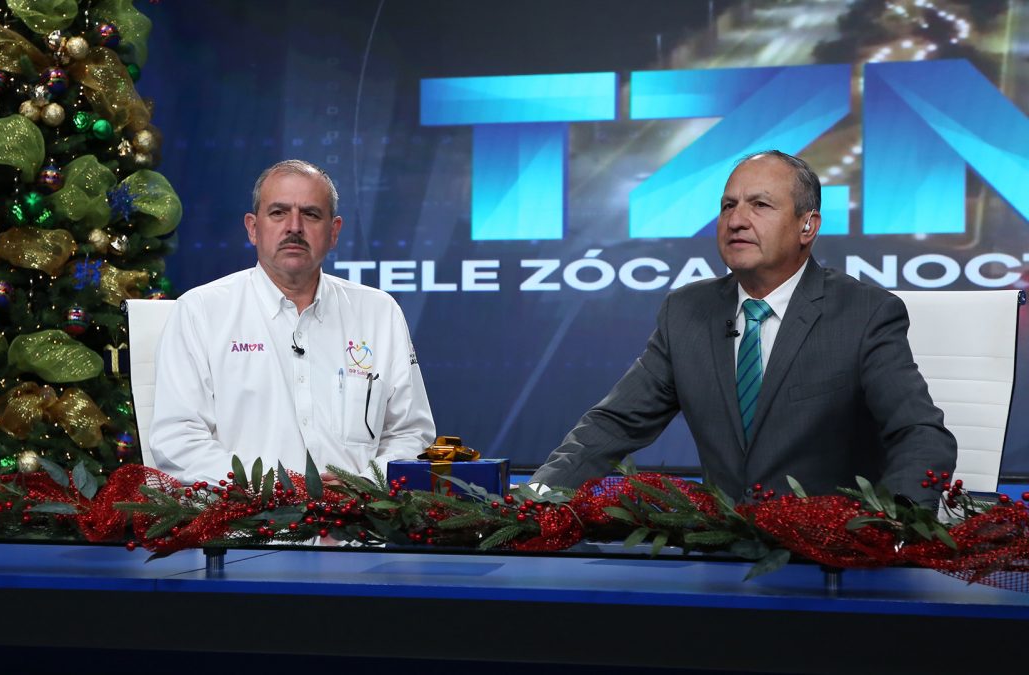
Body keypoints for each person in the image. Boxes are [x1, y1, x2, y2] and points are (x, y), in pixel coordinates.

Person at [532, 150, 956, 505]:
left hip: (829, 556)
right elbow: (613, 425)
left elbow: (921, 435)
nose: (736, 220)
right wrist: (535, 499)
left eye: (760, 205)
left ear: (807, 225)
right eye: (728, 206)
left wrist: (892, 530)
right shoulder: (686, 312)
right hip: (721, 550)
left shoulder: (864, 313)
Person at [150, 159, 435, 484]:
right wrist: (272, 488)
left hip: (358, 513)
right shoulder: (201, 311)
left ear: (334, 231)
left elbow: (411, 434)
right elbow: (178, 441)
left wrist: (365, 483)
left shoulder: (379, 313)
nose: (294, 227)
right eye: (278, 212)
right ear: (253, 228)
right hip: (244, 512)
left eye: (310, 214)